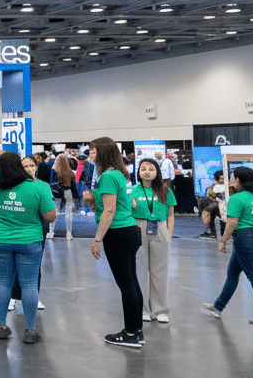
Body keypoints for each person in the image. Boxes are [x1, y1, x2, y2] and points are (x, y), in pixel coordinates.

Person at [0, 151, 56, 344]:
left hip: (2, 241)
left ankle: (1, 326)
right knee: (29, 284)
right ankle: (30, 330)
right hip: (29, 241)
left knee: (3, 282)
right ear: (20, 167)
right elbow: (50, 217)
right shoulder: (39, 187)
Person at [87, 136, 143, 348]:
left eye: (93, 151)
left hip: (118, 233)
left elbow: (110, 209)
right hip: (128, 230)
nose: (90, 154)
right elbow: (121, 203)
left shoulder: (108, 176)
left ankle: (130, 333)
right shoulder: (118, 174)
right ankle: (136, 330)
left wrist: (97, 239)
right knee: (131, 281)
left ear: (102, 152)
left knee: (126, 283)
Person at [202, 166, 253, 324]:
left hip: (244, 238)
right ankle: (218, 307)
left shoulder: (237, 198)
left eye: (233, 178)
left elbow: (232, 222)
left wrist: (223, 241)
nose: (230, 180)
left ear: (239, 181)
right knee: (233, 274)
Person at [131, 158, 175, 324]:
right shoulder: (132, 191)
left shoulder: (165, 191)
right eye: (143, 169)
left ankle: (160, 309)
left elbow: (171, 214)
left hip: (160, 229)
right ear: (139, 172)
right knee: (139, 270)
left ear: (157, 172)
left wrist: (168, 233)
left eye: (151, 169)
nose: (147, 172)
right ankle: (143, 309)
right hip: (138, 229)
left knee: (160, 272)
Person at [9, 156, 47, 311]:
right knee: (14, 265)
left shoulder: (41, 186)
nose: (29, 168)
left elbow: (48, 211)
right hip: (18, 230)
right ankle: (13, 296)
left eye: (32, 165)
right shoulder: (13, 187)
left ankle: (33, 297)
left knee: (35, 265)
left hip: (38, 230)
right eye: (25, 166)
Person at [49, 153, 77, 239]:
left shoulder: (54, 170)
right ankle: (69, 233)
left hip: (57, 193)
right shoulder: (71, 172)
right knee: (69, 214)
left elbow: (51, 183)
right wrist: (77, 197)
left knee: (54, 212)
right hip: (68, 192)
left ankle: (51, 232)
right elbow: (73, 186)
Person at [200, 170, 228, 238]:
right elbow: (211, 194)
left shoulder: (228, 185)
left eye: (223, 178)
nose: (222, 180)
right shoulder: (214, 185)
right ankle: (211, 231)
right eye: (221, 179)